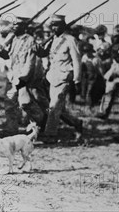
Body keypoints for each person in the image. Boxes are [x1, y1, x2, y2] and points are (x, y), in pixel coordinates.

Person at [0, 16, 48, 133]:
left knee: (25, 103)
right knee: (9, 103)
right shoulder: (14, 39)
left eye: (17, 25)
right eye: (13, 24)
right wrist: (0, 52)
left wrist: (24, 78)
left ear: (24, 27)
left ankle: (42, 120)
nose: (14, 27)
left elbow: (30, 61)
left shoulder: (29, 40)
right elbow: (8, 56)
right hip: (14, 76)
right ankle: (11, 129)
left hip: (24, 77)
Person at [39, 15, 84, 144]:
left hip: (64, 77)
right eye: (52, 25)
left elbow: (77, 61)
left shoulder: (70, 40)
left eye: (57, 25)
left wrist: (77, 80)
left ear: (64, 25)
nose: (54, 28)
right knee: (58, 108)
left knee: (54, 106)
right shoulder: (54, 40)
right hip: (52, 77)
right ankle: (76, 123)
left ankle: (50, 134)